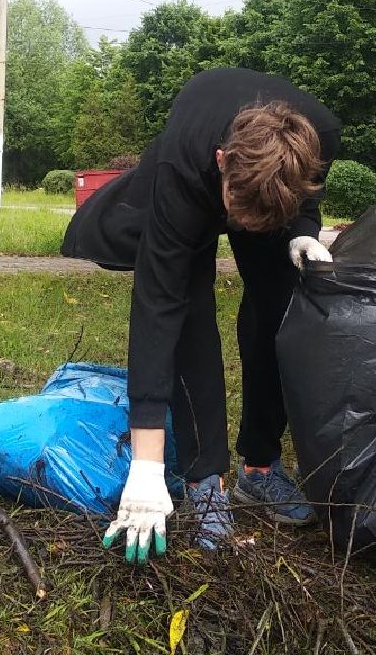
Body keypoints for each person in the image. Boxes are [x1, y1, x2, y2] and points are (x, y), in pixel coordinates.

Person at [61, 68, 341, 562]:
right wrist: (146, 466)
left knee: (278, 309)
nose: (236, 229)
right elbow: (157, 310)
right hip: (194, 179)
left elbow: (310, 194)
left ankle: (260, 468)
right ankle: (203, 478)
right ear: (221, 162)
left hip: (270, 194)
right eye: (234, 213)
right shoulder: (182, 166)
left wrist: (302, 229)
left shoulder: (320, 135)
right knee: (189, 319)